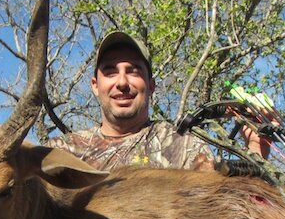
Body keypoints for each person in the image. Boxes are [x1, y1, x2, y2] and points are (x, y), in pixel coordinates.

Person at [49, 31, 269, 170]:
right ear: (95, 86)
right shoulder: (62, 152)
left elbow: (225, 210)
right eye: (110, 72)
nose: (122, 82)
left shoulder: (182, 145)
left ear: (151, 86)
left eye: (133, 71)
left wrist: (257, 148)